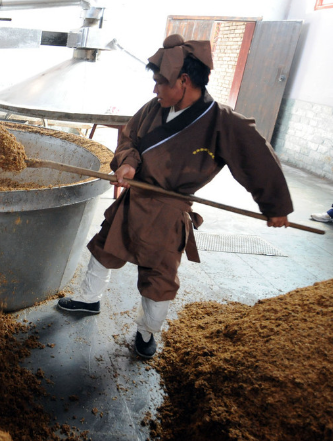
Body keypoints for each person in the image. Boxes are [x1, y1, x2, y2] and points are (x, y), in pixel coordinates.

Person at [57, 34, 293, 359]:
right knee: (104, 248)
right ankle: (87, 299)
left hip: (167, 214)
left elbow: (258, 160)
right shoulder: (154, 108)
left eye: (160, 82)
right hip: (135, 200)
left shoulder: (221, 122)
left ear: (184, 81)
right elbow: (129, 138)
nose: (155, 90)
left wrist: (275, 206)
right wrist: (128, 163)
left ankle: (146, 333)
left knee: (159, 278)